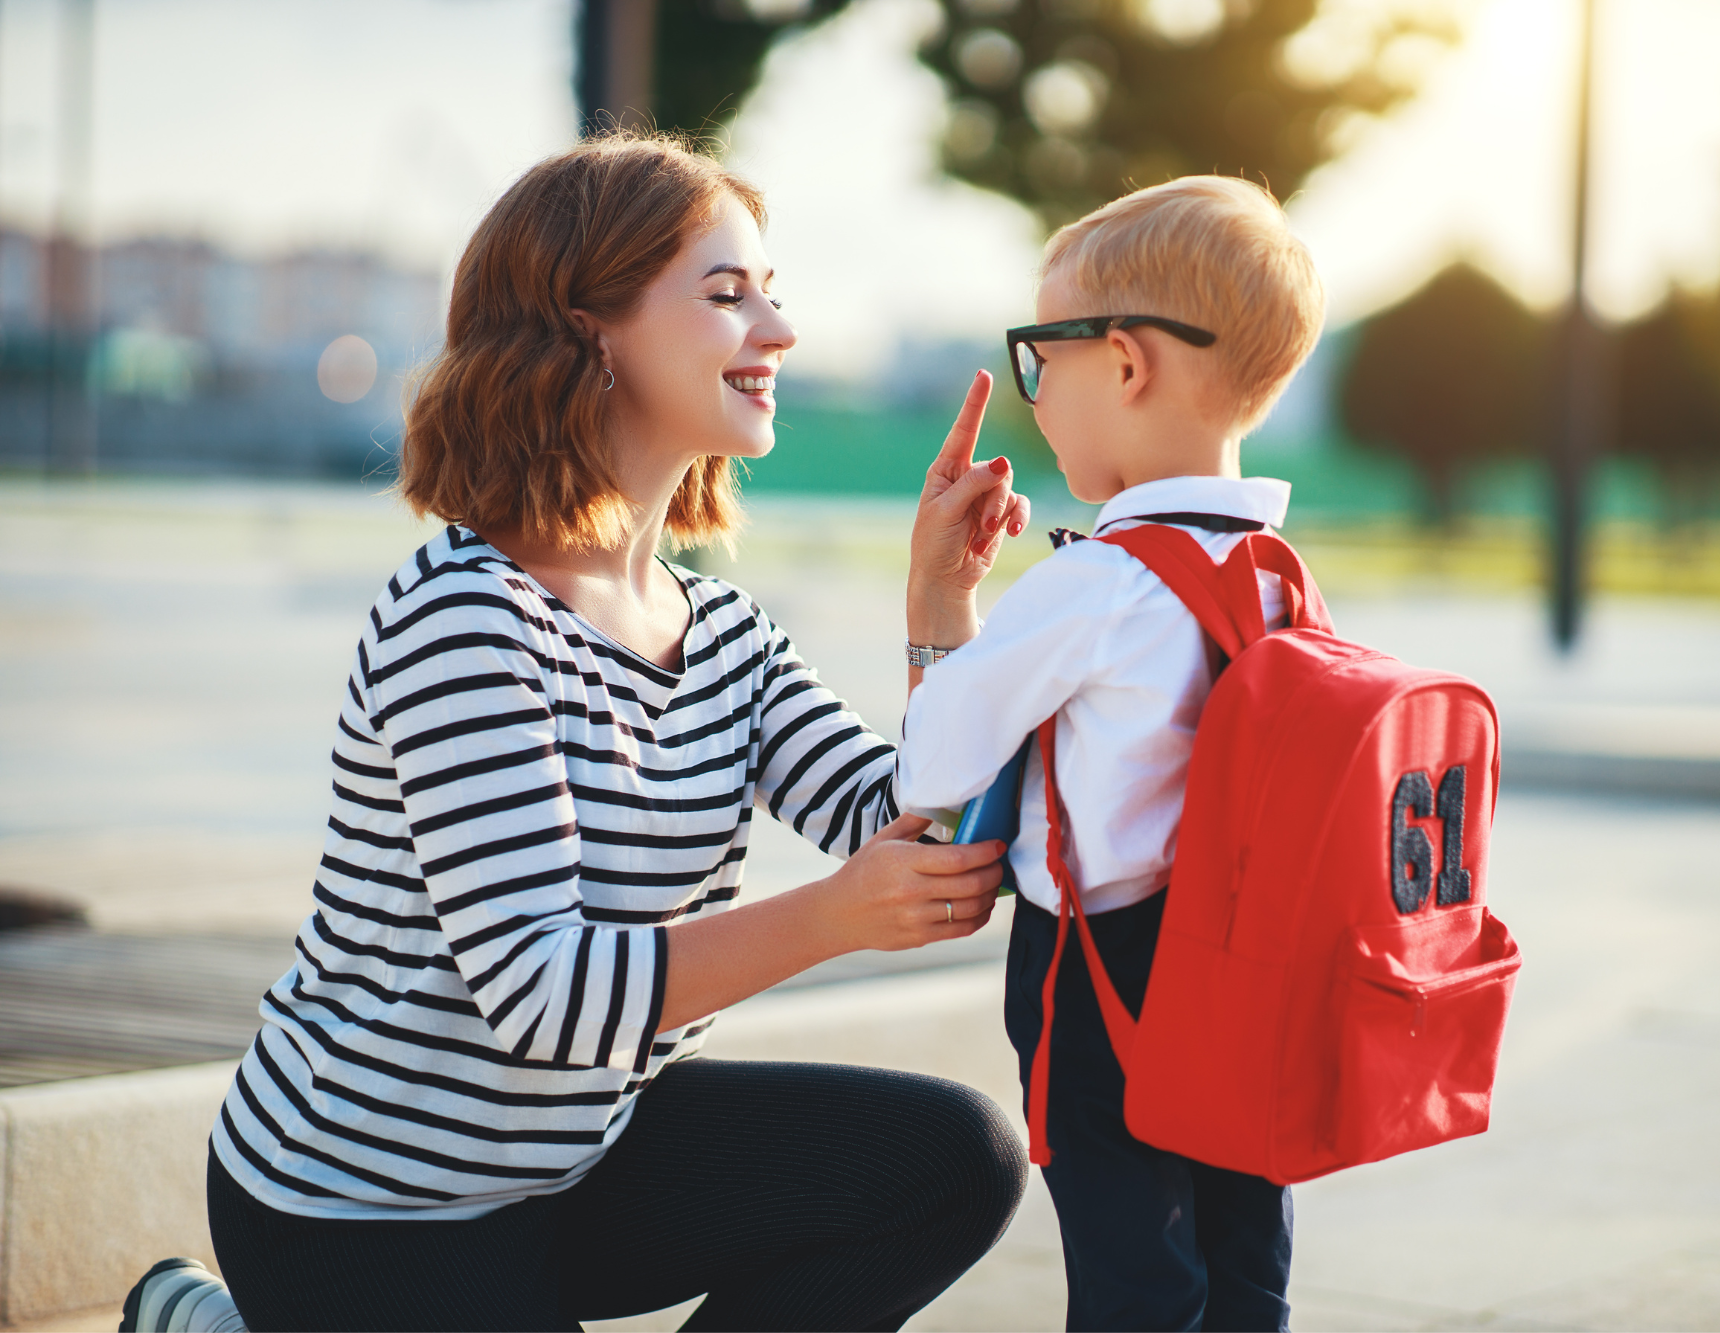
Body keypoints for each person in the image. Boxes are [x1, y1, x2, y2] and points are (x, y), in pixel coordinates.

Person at [122, 131, 1035, 1333]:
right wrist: (831, 916)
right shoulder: (466, 618)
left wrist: (940, 608)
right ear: (587, 327)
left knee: (951, 1157)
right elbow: (545, 996)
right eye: (725, 295)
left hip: (575, 1165)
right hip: (366, 1207)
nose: (776, 330)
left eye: (771, 292)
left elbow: (914, 829)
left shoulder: (718, 629)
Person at [896, 176, 1326, 1332]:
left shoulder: (1099, 581)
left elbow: (931, 765)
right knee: (1241, 1243)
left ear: (1125, 364)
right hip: (1242, 960)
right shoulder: (1279, 573)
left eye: (1042, 358)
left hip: (1100, 972)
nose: (1034, 392)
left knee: (1130, 1262)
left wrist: (938, 601)